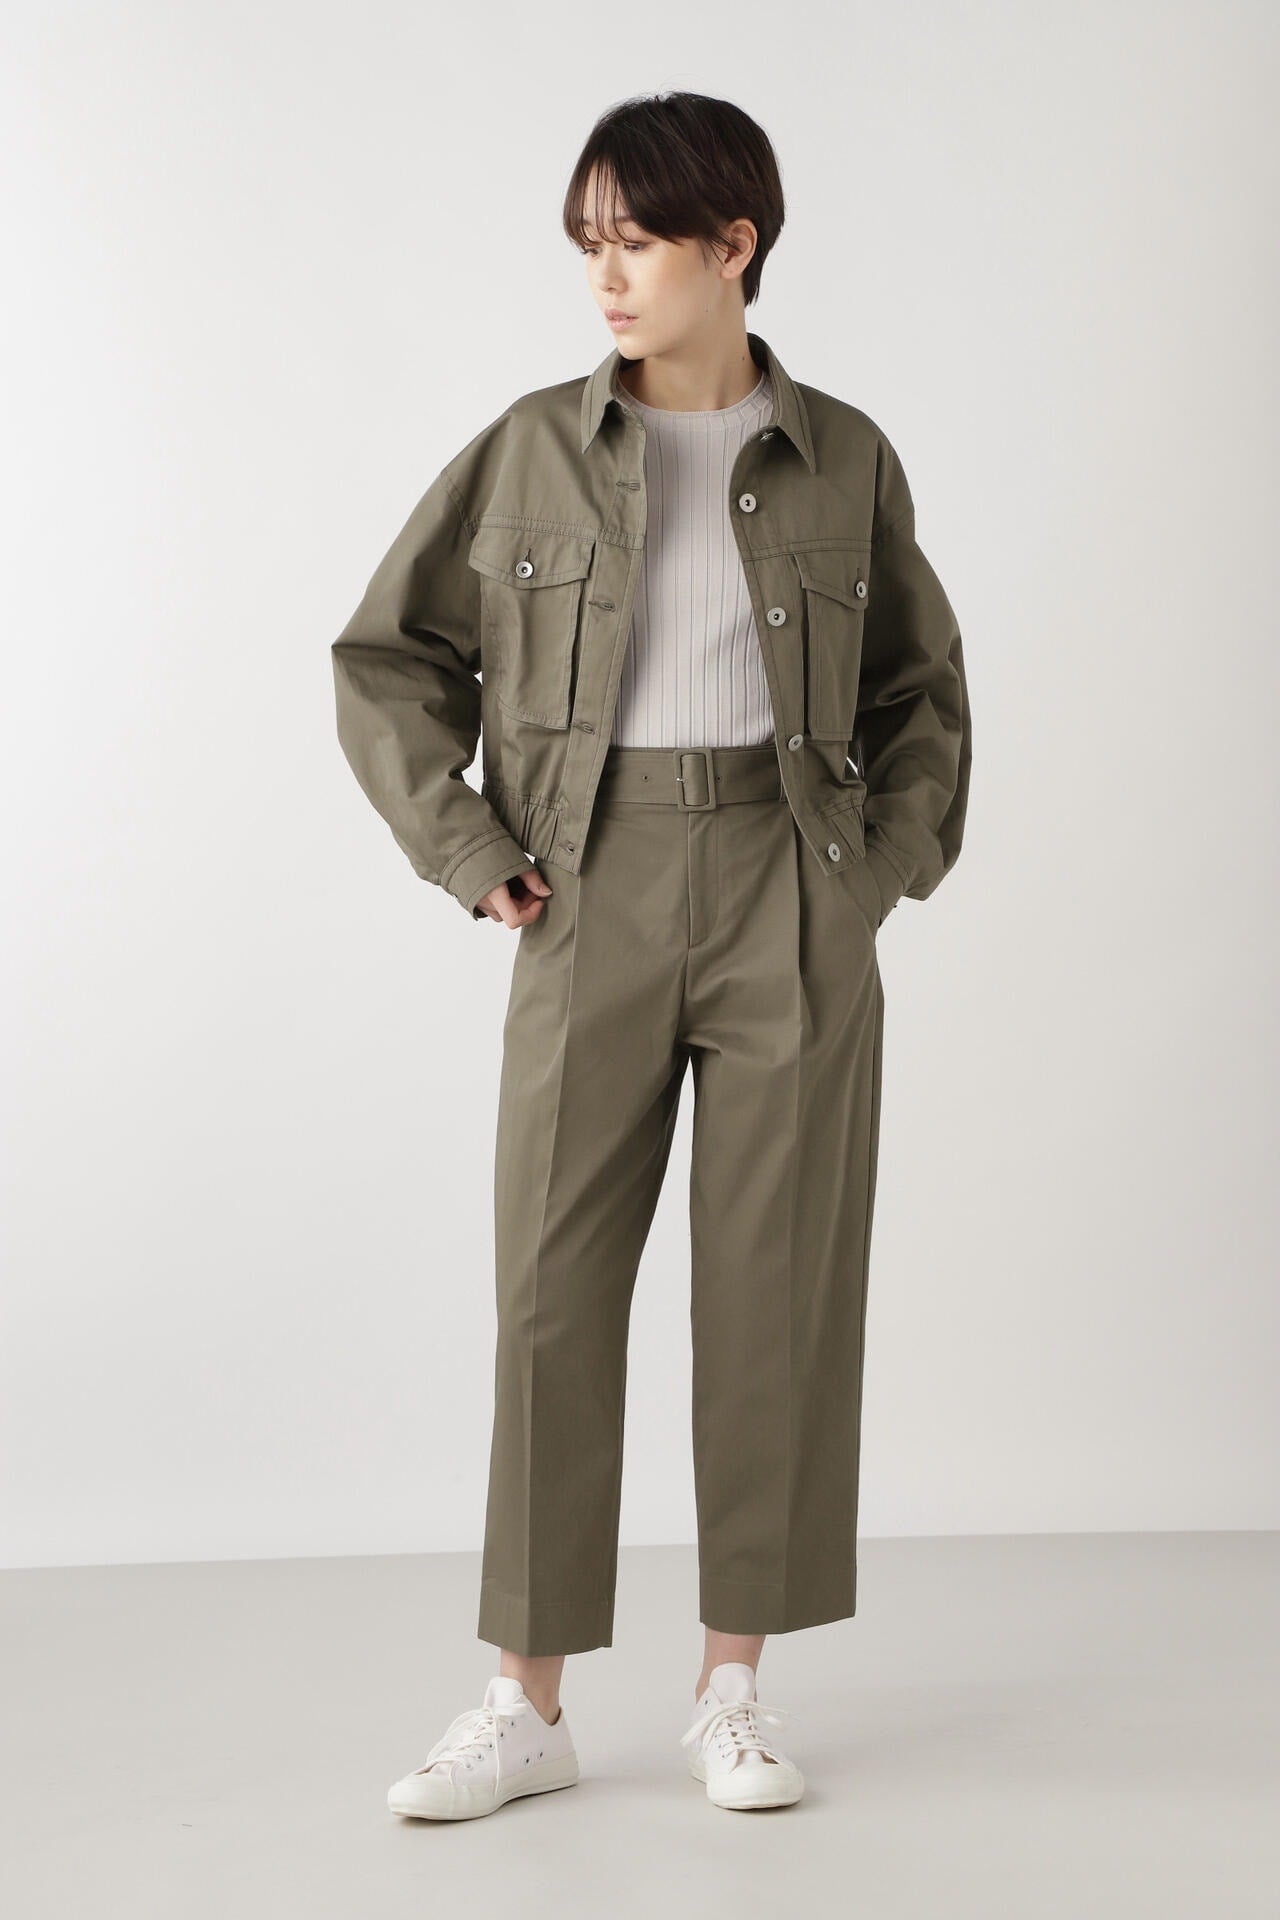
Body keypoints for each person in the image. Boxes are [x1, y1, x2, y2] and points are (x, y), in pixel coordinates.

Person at [332, 90, 972, 1820]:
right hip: (587, 882)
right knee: (551, 1290)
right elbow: (387, 659)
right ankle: (526, 1702)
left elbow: (924, 694)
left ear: (733, 245)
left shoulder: (845, 455)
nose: (604, 277)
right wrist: (472, 850)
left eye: (635, 241)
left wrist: (869, 877)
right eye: (588, 245)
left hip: (787, 883)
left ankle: (733, 1689)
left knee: (772, 1294)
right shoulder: (530, 450)